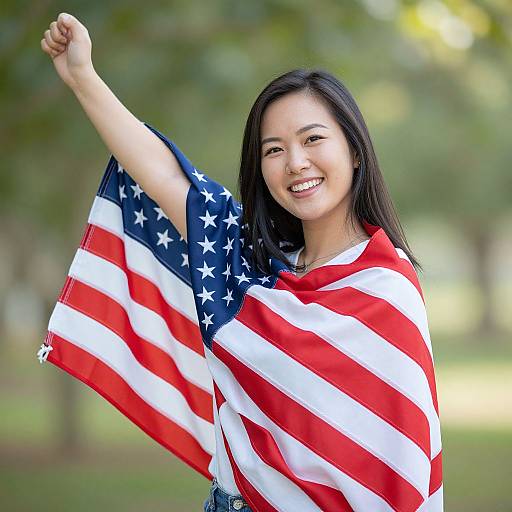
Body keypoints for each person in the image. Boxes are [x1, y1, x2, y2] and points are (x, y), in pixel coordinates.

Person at [41, 13, 443, 512]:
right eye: (274, 149)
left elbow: (400, 462)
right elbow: (169, 179)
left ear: (355, 151)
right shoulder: (255, 265)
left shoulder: (387, 288)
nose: (295, 162)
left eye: (313, 139)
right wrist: (83, 76)